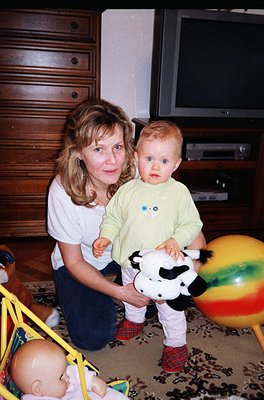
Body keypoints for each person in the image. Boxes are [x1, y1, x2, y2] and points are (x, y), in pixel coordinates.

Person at [47, 99, 205, 353]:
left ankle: (133, 294)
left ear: (129, 148)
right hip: (83, 262)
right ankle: (108, 291)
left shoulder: (143, 169)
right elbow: (74, 262)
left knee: (162, 303)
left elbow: (194, 233)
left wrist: (185, 277)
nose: (112, 160)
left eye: (118, 147)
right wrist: (122, 293)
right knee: (93, 337)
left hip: (137, 256)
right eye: (99, 149)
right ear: (78, 152)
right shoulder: (61, 191)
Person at [93, 120, 204, 373]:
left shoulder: (179, 193)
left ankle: (175, 344)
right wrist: (106, 237)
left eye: (164, 161)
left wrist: (177, 239)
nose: (155, 166)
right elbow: (113, 218)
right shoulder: (127, 190)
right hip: (131, 261)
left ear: (175, 164)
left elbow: (192, 223)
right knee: (132, 293)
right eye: (149, 158)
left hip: (165, 267)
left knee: (169, 309)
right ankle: (135, 318)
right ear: (136, 157)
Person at [10, 339, 129, 399]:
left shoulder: (61, 379)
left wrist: (92, 381)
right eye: (61, 376)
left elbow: (74, 372)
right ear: (37, 389)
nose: (67, 378)